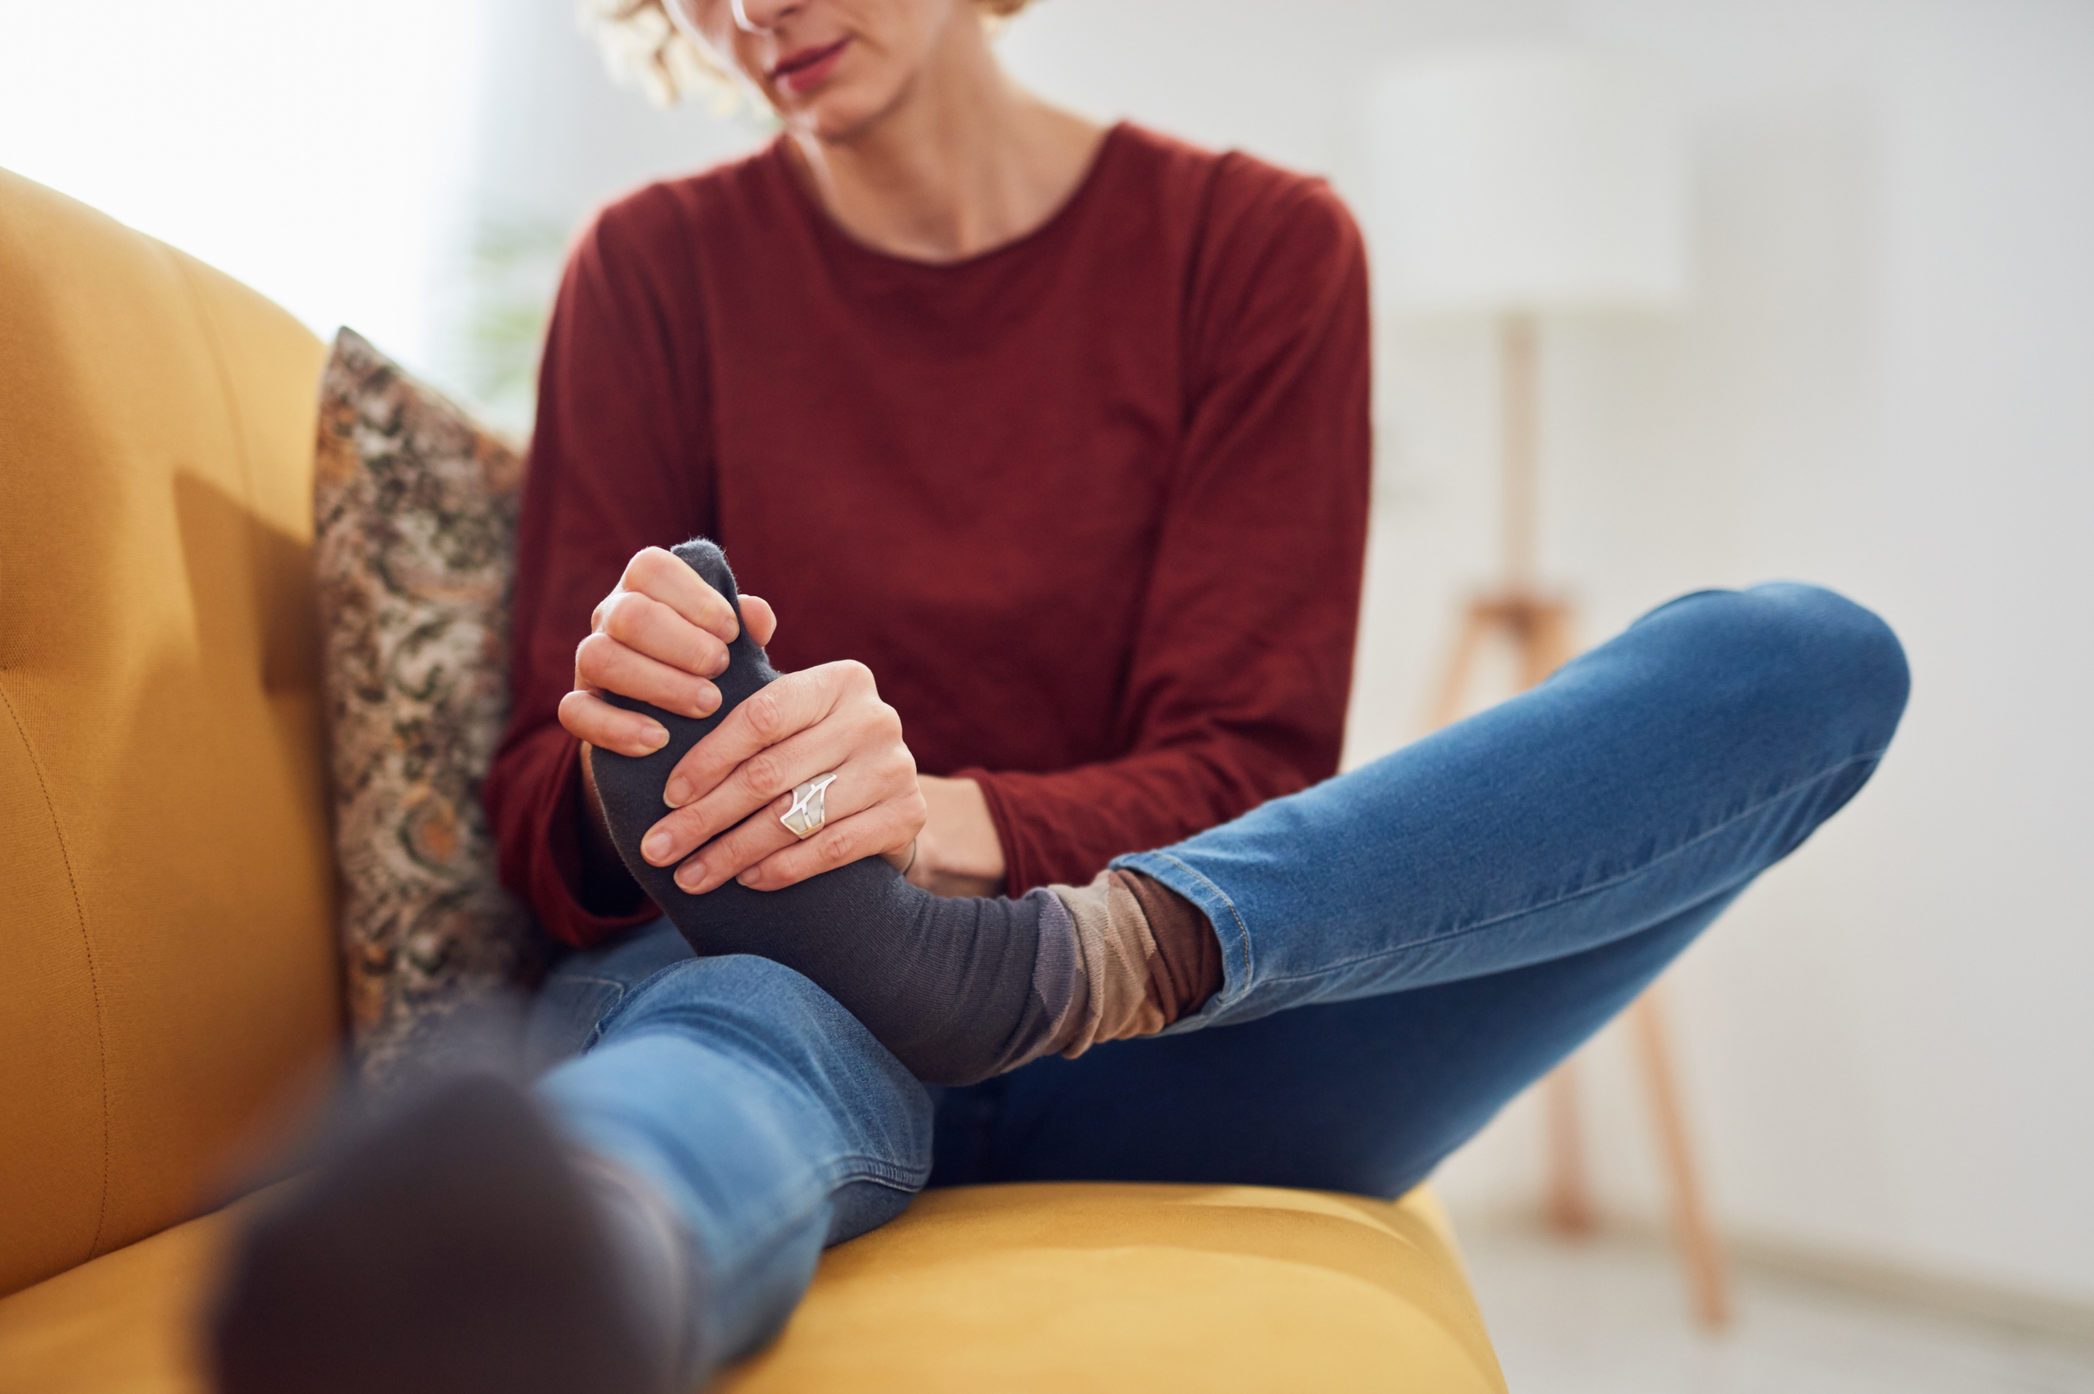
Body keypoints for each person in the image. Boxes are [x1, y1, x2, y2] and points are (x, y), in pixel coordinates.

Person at [204, 3, 1912, 1392]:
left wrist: (923, 825)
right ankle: (549, 1275)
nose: (750, 13)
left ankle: (1017, 968)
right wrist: (641, 750)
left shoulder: (1255, 250)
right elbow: (535, 818)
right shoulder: (650, 270)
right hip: (780, 987)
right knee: (736, 1028)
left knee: (1804, 660)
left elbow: (1249, 764)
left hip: (1164, 995)